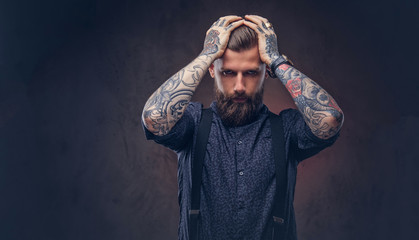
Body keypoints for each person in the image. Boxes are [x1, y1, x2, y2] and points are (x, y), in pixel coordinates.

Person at [142, 15, 344, 240]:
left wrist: (277, 61)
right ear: (211, 70)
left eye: (251, 72)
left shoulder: (286, 130)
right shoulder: (193, 123)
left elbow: (330, 119)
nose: (239, 87)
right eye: (228, 72)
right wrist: (207, 55)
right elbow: (154, 117)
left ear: (266, 72)